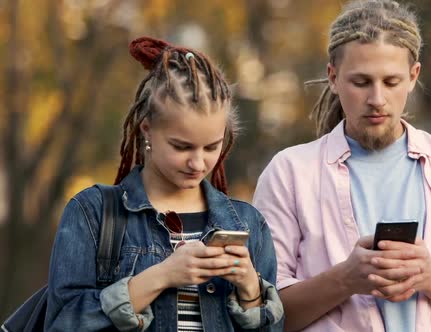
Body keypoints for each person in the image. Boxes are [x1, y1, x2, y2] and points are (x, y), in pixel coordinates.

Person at [252, 1, 431, 331]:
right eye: (361, 82)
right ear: (333, 77)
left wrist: (429, 275)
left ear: (413, 76)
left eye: (391, 82)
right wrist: (345, 279)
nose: (377, 99)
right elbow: (261, 315)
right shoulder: (288, 173)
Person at [44, 36, 283, 331]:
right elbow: (61, 323)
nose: (198, 163)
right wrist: (162, 276)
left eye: (211, 147)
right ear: (147, 129)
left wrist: (250, 291)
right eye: (182, 147)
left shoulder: (248, 223)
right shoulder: (92, 213)